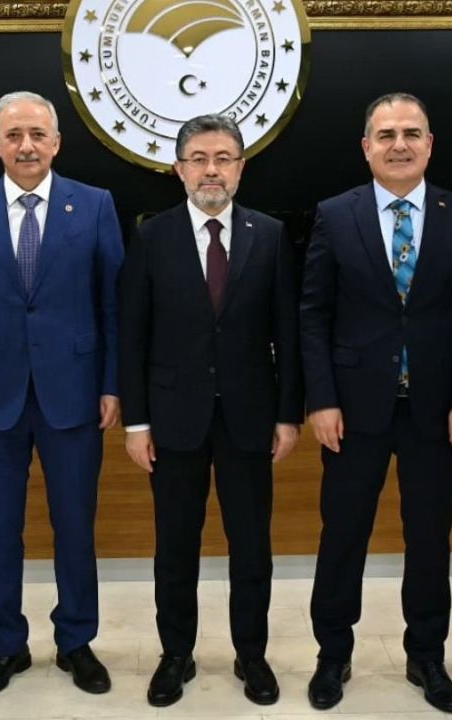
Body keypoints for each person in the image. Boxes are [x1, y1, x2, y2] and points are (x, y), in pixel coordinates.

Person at [299, 92, 452, 713]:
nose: (399, 144)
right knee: (343, 536)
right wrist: (321, 399)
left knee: (431, 537)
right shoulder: (336, 214)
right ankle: (333, 654)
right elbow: (313, 314)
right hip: (352, 411)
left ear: (430, 145)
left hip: (438, 414)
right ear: (367, 148)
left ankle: (427, 657)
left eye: (412, 133)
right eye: (386, 135)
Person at [0, 91, 124, 699]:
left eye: (38, 134)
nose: (26, 146)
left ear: (57, 143)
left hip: (75, 394)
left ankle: (76, 641)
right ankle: (6, 645)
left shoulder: (95, 205)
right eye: (14, 135)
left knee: (75, 526)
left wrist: (112, 384)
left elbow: (113, 304)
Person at [118, 115, 303, 708]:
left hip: (251, 416)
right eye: (198, 159)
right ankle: (176, 654)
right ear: (179, 169)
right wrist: (136, 422)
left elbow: (288, 332)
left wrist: (288, 414)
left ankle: (252, 653)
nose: (211, 170)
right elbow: (133, 335)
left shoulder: (270, 235)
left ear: (241, 168)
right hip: (173, 419)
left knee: (251, 546)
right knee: (176, 546)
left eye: (223, 158)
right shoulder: (152, 236)